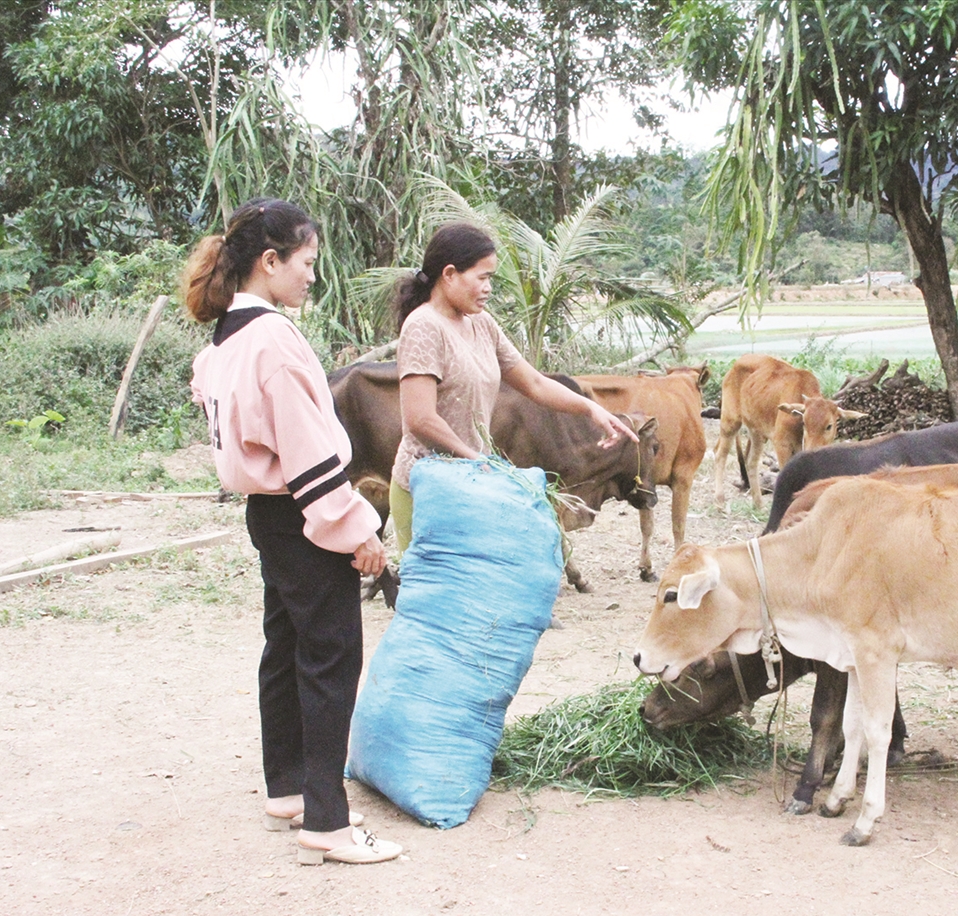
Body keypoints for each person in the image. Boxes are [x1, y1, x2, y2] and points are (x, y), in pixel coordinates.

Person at [184, 197, 400, 866]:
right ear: (270, 262)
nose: (312, 275)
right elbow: (308, 453)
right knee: (331, 655)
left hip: (268, 514)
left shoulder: (226, 337)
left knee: (286, 648)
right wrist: (359, 532)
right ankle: (328, 824)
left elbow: (225, 409)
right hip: (304, 510)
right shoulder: (274, 338)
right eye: (305, 262)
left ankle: (289, 789)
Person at [387, 222, 636, 552]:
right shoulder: (424, 327)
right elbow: (420, 419)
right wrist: (476, 459)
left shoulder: (481, 323)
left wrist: (591, 408)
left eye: (491, 278)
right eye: (482, 277)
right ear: (449, 274)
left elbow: (533, 382)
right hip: (427, 488)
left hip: (471, 483)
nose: (489, 288)